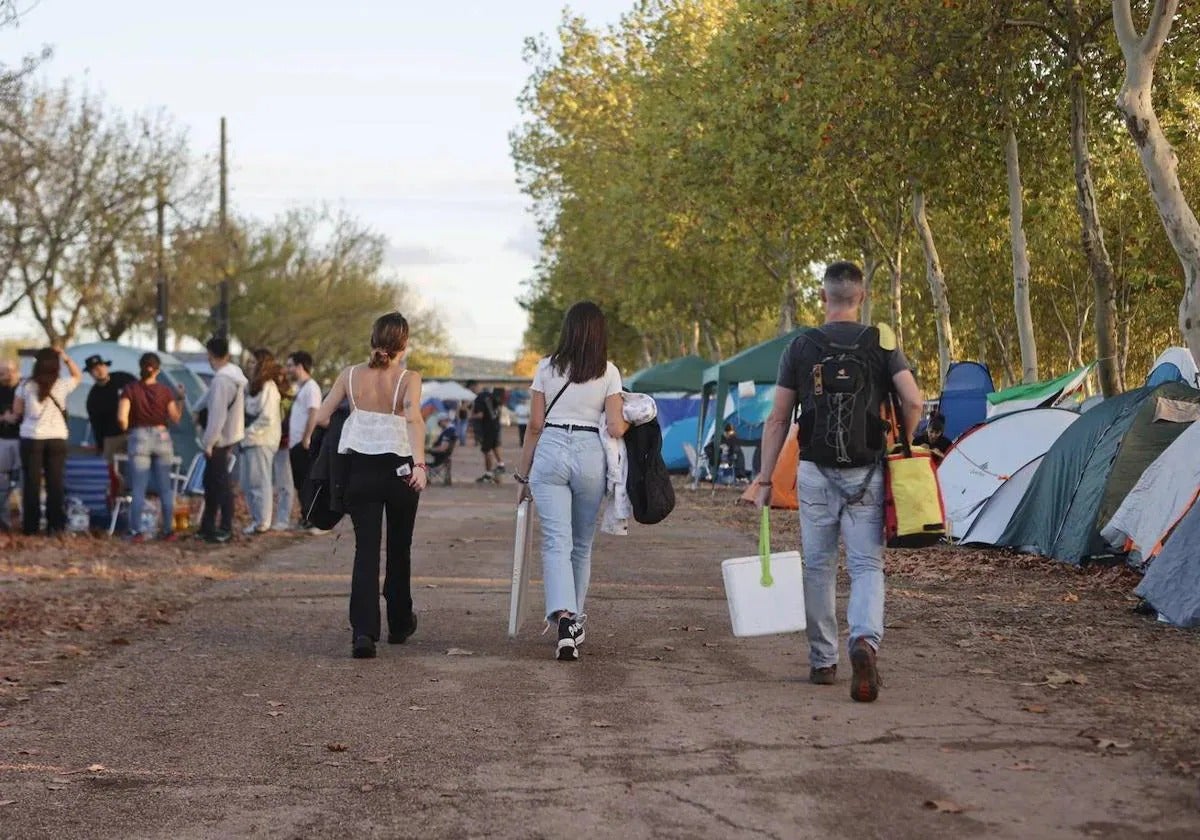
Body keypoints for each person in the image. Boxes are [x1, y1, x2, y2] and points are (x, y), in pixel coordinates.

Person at [754, 261, 922, 703]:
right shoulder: (882, 342)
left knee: (818, 565)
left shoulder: (801, 346)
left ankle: (822, 660)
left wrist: (765, 478)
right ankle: (864, 642)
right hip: (867, 470)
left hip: (813, 470)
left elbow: (777, 418)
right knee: (866, 565)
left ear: (823, 297)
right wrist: (902, 440)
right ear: (861, 298)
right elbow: (914, 400)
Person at [513, 301, 628, 662]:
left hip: (549, 452)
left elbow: (534, 425)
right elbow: (614, 426)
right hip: (589, 454)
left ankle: (563, 618)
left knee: (555, 542)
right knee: (581, 544)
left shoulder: (546, 367)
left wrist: (522, 474)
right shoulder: (609, 372)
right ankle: (573, 623)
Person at [311, 312, 426, 659]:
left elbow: (321, 416)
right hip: (400, 471)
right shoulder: (409, 378)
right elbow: (413, 417)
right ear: (404, 345)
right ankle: (401, 621)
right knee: (399, 548)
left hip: (359, 472)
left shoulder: (349, 375)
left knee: (365, 552)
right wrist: (420, 464)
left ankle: (364, 632)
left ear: (372, 340)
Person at [13, 347, 82, 535]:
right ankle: (55, 526)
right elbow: (78, 376)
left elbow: (17, 412)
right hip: (57, 438)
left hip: (31, 438)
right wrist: (66, 358)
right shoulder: (62, 384)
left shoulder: (25, 385)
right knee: (55, 483)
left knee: (31, 483)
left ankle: (31, 526)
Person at [117, 353, 182, 541]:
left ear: (140, 367)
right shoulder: (165, 391)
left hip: (139, 436)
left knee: (138, 488)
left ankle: (136, 532)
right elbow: (175, 417)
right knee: (165, 488)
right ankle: (168, 530)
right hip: (162, 436)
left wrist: (126, 430)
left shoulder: (130, 389)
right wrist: (181, 399)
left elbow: (122, 418)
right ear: (158, 370)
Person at [193, 337, 248, 544]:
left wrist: (208, 442)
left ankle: (224, 528)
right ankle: (207, 526)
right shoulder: (234, 377)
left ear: (210, 354)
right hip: (231, 435)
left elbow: (217, 415)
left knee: (219, 485)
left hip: (219, 439)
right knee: (212, 483)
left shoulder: (221, 381)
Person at [240, 348, 284, 535]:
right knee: (247, 483)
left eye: (253, 361)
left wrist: (247, 431)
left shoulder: (269, 387)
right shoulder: (252, 387)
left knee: (260, 482)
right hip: (249, 440)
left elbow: (267, 417)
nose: (249, 365)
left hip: (262, 440)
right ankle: (256, 518)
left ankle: (263, 521)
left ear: (261, 364)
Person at [286, 350, 323, 530]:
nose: (288, 369)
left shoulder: (311, 387)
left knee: (307, 482)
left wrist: (307, 437)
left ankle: (311, 518)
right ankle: (305, 516)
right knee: (300, 482)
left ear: (300, 366)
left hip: (304, 443)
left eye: (290, 365)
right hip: (295, 443)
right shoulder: (302, 388)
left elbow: (314, 412)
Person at [84, 354, 135, 466]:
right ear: (90, 373)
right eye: (94, 369)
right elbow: (97, 424)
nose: (99, 370)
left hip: (134, 432)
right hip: (112, 437)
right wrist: (100, 445)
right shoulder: (93, 397)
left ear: (106, 366)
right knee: (113, 470)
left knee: (137, 467)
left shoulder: (123, 378)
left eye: (101, 366)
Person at [0, 359, 21, 532]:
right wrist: (4, 418)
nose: (4, 375)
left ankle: (26, 520)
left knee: (24, 481)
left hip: (24, 439)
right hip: (3, 440)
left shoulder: (25, 388)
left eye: (6, 371)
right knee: (2, 482)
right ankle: (4, 521)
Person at [468, 381, 502, 482]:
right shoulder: (489, 395)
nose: (472, 391)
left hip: (487, 427)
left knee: (486, 450)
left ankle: (489, 474)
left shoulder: (479, 398)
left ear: (474, 387)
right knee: (495, 445)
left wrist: (470, 416)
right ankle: (500, 464)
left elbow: (480, 415)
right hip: (495, 425)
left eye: (471, 389)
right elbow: (498, 407)